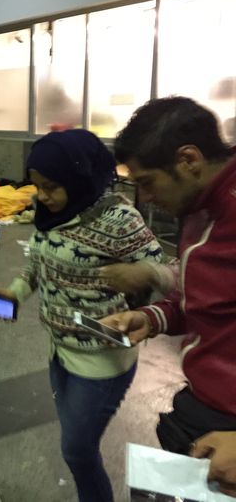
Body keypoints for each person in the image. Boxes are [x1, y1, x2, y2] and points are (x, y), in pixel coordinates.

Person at [0, 129, 162, 502]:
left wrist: (143, 276)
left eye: (52, 186)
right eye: (37, 186)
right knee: (76, 443)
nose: (43, 197)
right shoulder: (50, 215)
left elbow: (171, 273)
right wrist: (15, 293)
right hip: (60, 350)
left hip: (102, 361)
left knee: (77, 450)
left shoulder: (119, 219)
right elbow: (34, 267)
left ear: (80, 178)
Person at [100, 97, 236, 478]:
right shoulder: (199, 209)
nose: (145, 198)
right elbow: (205, 299)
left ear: (188, 160)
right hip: (207, 404)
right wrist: (153, 317)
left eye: (147, 183)